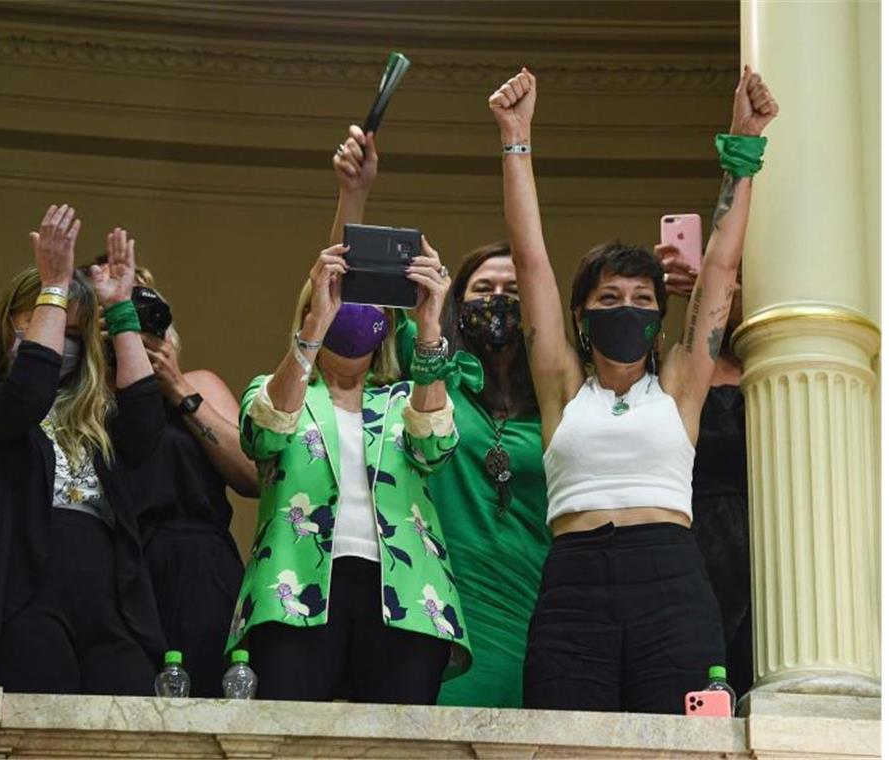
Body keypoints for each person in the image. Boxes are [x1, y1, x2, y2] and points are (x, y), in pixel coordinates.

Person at [487, 65, 778, 713]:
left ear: (657, 317)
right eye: (608, 298)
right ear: (582, 319)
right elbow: (530, 255)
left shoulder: (679, 384)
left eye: (641, 299)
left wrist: (743, 144)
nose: (625, 308)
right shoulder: (563, 385)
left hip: (672, 578)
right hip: (573, 586)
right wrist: (515, 135)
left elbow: (721, 272)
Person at [328, 125, 551, 708]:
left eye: (511, 290)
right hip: (442, 606)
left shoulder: (557, 399)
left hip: (536, 603)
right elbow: (337, 300)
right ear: (455, 302)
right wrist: (354, 195)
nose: (497, 300)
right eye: (481, 289)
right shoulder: (426, 367)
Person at [226, 233, 472, 704]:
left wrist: (428, 327)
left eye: (372, 305)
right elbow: (265, 434)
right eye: (346, 300)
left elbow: (433, 446)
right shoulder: (278, 390)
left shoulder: (404, 398)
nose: (358, 313)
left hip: (406, 599)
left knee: (399, 747)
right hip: (293, 590)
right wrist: (317, 323)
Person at [0, 205, 167, 695]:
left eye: (73, 336)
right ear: (9, 322)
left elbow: (147, 429)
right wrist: (56, 287)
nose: (62, 343)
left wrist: (121, 310)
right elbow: (24, 398)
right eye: (50, 322)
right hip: (18, 600)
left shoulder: (93, 415)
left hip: (110, 604)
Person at [112, 265, 259, 698]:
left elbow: (252, 473)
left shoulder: (197, 383)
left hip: (199, 562)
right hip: (123, 562)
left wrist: (175, 387)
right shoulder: (94, 398)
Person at [657, 250, 752, 699]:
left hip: (764, 541)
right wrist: (694, 304)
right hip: (692, 539)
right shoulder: (680, 372)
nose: (729, 292)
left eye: (739, 282)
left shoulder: (773, 366)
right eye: (723, 281)